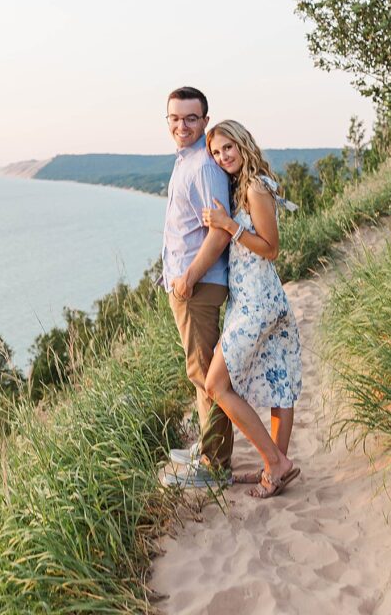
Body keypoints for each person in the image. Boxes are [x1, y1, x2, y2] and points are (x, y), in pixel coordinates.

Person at [201, 119, 302, 499]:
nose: (222, 155)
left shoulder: (256, 188)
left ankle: (275, 462)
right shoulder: (242, 186)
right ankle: (273, 470)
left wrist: (229, 226)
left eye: (228, 147)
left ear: (243, 144)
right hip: (254, 300)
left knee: (215, 384)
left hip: (258, 302)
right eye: (216, 151)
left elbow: (271, 248)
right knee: (279, 383)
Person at [161, 86, 234, 488]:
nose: (182, 125)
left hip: (199, 285)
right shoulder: (184, 160)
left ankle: (215, 466)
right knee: (199, 373)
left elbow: (218, 234)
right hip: (190, 285)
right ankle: (208, 450)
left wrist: (187, 278)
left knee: (207, 375)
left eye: (191, 118)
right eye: (175, 118)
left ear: (205, 121)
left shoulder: (203, 166)